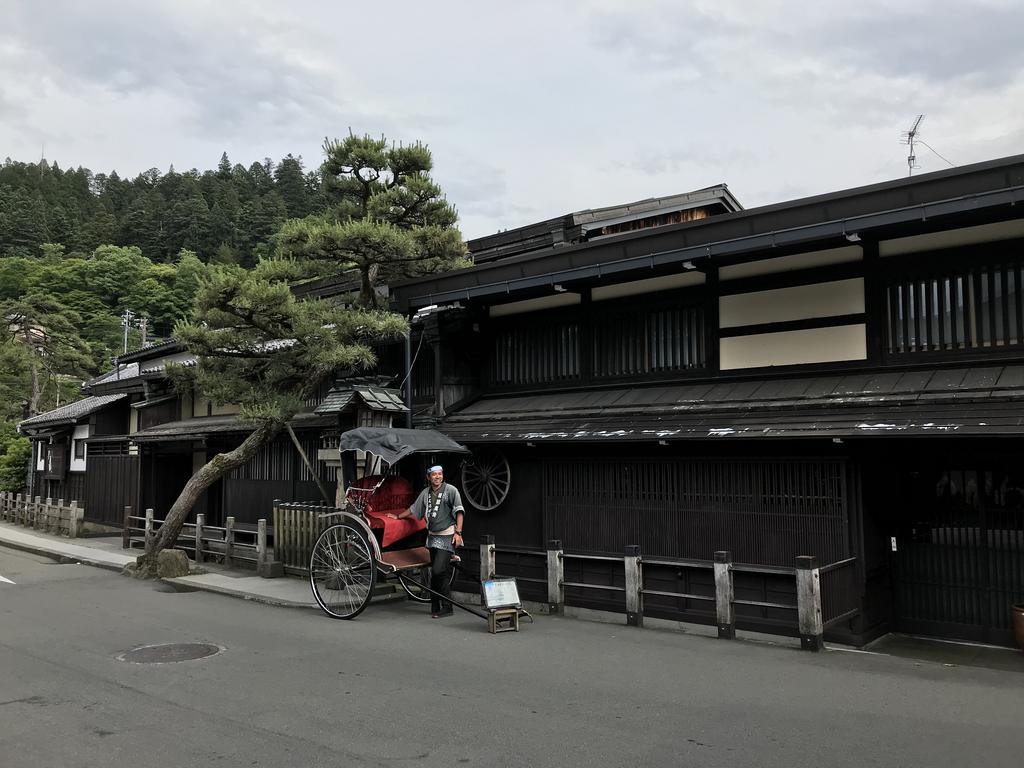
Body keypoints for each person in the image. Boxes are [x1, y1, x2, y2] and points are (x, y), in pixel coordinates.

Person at [387, 464, 465, 617]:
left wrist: (458, 532)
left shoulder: (451, 490)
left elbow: (459, 511)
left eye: (440, 474)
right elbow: (413, 509)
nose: (437, 477)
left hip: (447, 535)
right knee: (435, 573)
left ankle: (447, 607)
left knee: (438, 571)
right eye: (434, 474)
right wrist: (397, 517)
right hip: (432, 537)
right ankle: (435, 605)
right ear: (428, 477)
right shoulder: (426, 493)